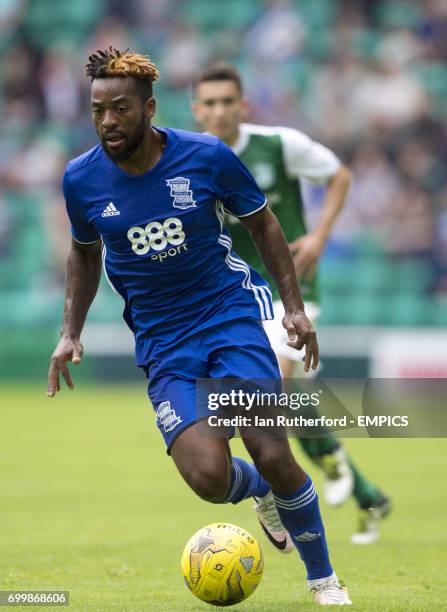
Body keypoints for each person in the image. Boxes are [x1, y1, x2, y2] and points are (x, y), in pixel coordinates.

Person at [47, 48, 351, 605]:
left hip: (228, 317)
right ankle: (260, 493)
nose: (109, 122)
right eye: (97, 111)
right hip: (164, 343)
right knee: (209, 480)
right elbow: (84, 253)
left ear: (149, 108)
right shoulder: (81, 180)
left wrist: (294, 307)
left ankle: (324, 580)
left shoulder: (206, 157)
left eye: (120, 109)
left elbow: (264, 224)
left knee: (273, 450)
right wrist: (71, 330)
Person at [192, 63, 391, 544]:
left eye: (227, 101)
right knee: (258, 402)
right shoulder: (191, 160)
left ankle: (273, 496)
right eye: (210, 103)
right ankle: (359, 485)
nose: (220, 111)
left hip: (292, 292)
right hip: (236, 302)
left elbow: (339, 175)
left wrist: (320, 235)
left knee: (268, 388)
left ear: (244, 105)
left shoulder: (279, 145)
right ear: (197, 110)